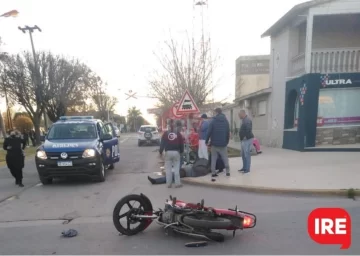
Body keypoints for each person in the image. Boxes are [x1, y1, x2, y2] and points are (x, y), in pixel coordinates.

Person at [205, 108, 230, 178]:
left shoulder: (213, 121)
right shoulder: (226, 121)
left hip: (214, 144)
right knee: (225, 158)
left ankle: (213, 173)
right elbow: (228, 132)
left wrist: (206, 141)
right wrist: (226, 141)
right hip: (223, 144)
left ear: (216, 112)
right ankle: (228, 172)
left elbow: (209, 132)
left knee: (213, 158)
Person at [159, 119, 184, 188]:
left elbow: (162, 144)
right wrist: (181, 151)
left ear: (168, 126)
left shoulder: (165, 133)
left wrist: (160, 152)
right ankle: (177, 183)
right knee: (176, 169)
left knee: (168, 169)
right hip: (176, 152)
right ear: (175, 125)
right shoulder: (178, 133)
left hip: (168, 152)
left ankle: (169, 184)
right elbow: (181, 143)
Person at [238, 110, 254, 174]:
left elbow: (248, 129)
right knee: (243, 154)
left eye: (239, 115)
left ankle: (247, 169)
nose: (239, 116)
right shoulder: (243, 120)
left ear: (243, 114)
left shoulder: (247, 120)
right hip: (243, 140)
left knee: (247, 154)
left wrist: (245, 137)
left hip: (247, 139)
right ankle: (244, 167)